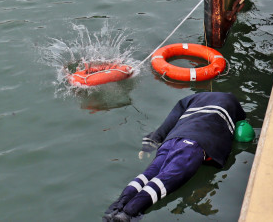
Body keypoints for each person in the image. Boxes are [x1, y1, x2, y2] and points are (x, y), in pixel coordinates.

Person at [102, 92, 249, 221]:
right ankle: (129, 214)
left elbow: (170, 120)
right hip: (195, 144)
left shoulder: (193, 98)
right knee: (167, 179)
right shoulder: (231, 101)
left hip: (172, 139)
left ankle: (114, 209)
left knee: (148, 174)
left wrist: (151, 142)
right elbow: (242, 126)